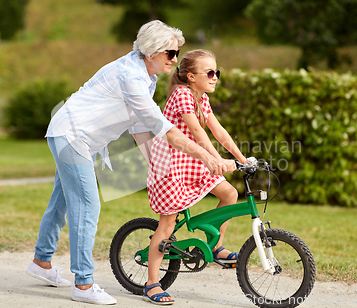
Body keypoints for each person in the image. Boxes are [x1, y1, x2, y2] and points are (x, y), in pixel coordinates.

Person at [25, 21, 236, 305]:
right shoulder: (130, 77)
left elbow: (138, 126)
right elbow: (166, 131)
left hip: (74, 137)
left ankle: (41, 262)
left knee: (61, 200)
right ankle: (84, 285)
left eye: (176, 54)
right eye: (170, 54)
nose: (174, 61)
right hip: (71, 136)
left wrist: (154, 165)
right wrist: (209, 157)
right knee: (87, 205)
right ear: (150, 52)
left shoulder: (146, 76)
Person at [144, 49, 247, 305]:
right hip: (170, 164)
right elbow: (198, 132)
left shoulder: (202, 98)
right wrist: (217, 160)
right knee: (167, 223)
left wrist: (242, 159)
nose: (215, 77)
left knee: (229, 193)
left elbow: (218, 131)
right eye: (209, 73)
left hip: (191, 160)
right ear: (190, 76)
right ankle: (151, 283)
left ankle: (215, 246)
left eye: (217, 72)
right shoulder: (181, 95)